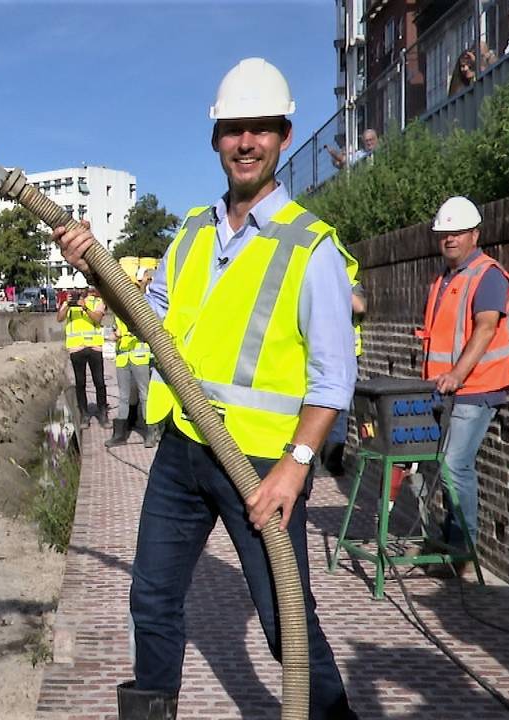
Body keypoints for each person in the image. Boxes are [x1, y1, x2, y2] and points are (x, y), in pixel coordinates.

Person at [55, 57, 359, 719]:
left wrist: (294, 469)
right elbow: (148, 317)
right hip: (184, 449)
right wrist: (94, 263)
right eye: (232, 130)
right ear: (215, 139)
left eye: (260, 129)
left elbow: (334, 380)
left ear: (282, 135)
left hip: (260, 467)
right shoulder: (191, 232)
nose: (245, 142)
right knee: (153, 599)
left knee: (286, 624)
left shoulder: (312, 249)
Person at [416, 196, 509, 563]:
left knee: (455, 465)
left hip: (477, 388)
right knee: (438, 465)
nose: (450, 239)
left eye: (458, 232)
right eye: (444, 233)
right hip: (445, 389)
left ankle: (462, 549)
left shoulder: (487, 275)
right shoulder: (444, 279)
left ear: (475, 234)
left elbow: (486, 329)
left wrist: (457, 374)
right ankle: (445, 538)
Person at [106, 267, 156, 448]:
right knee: (124, 397)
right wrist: (115, 335)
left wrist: (121, 334)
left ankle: (151, 432)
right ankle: (119, 434)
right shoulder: (118, 311)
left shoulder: (143, 306)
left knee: (145, 395)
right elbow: (116, 330)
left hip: (139, 356)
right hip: (122, 357)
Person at [322, 283, 367, 475]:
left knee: (340, 409)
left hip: (345, 355)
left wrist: (336, 282)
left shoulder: (350, 281)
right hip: (320, 351)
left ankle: (331, 462)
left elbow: (360, 307)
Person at [56, 276, 109, 427]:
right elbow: (59, 318)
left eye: (81, 289)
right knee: (80, 383)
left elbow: (98, 319)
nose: (79, 292)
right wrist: (67, 305)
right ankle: (84, 415)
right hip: (76, 348)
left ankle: (102, 413)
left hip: (94, 347)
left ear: (87, 289)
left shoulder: (96, 301)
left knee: (99, 382)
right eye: (77, 289)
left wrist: (84, 307)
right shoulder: (69, 303)